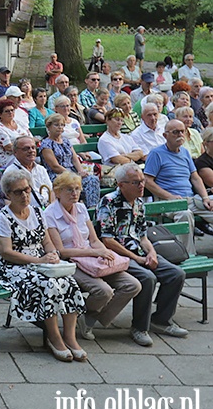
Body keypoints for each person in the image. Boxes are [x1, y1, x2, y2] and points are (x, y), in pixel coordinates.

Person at [0, 169, 86, 361]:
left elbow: (46, 242)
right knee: (48, 284)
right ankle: (54, 337)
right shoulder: (2, 218)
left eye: (27, 189)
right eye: (18, 192)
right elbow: (6, 253)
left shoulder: (36, 212)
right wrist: (39, 261)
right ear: (8, 195)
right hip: (13, 267)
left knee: (68, 281)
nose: (25, 195)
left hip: (40, 264)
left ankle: (70, 336)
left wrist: (52, 254)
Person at [97, 164, 188, 347]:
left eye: (142, 182)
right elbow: (107, 240)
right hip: (117, 255)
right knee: (147, 278)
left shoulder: (139, 203)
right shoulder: (109, 202)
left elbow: (143, 236)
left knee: (176, 274)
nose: (141, 186)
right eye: (136, 182)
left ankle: (161, 320)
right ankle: (139, 328)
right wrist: (137, 258)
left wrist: (152, 253)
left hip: (139, 251)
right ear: (121, 184)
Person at [45, 172, 141, 342]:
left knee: (132, 285)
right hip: (69, 263)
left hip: (91, 258)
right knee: (103, 291)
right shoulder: (50, 214)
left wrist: (104, 253)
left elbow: (94, 240)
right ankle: (84, 316)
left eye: (77, 189)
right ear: (57, 192)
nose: (74, 193)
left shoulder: (81, 208)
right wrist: (94, 252)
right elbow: (61, 251)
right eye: (69, 190)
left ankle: (90, 318)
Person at [144, 119, 213, 242]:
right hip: (169, 201)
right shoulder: (156, 154)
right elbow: (147, 181)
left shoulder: (185, 152)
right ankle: (188, 256)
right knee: (185, 214)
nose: (180, 135)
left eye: (182, 131)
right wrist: (170, 196)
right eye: (175, 132)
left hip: (191, 199)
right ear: (165, 135)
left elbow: (195, 177)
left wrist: (205, 198)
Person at [40, 114, 100, 208]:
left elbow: (74, 158)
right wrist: (72, 175)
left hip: (73, 172)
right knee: (69, 184)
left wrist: (80, 171)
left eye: (62, 125)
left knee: (92, 179)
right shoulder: (46, 144)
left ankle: (92, 208)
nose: (60, 127)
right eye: (56, 125)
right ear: (49, 127)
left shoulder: (66, 141)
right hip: (58, 175)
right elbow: (55, 166)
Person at [5, 135, 55, 209]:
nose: (31, 151)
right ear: (15, 152)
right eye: (26, 148)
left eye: (33, 147)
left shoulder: (41, 169)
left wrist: (51, 207)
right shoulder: (11, 172)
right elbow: (9, 199)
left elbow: (51, 190)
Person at [0, 97, 31, 168]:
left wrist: (18, 141)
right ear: (0, 114)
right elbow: (9, 147)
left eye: (12, 110)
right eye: (7, 111)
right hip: (9, 159)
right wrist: (23, 140)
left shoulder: (19, 123)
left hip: (25, 155)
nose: (10, 113)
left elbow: (31, 139)